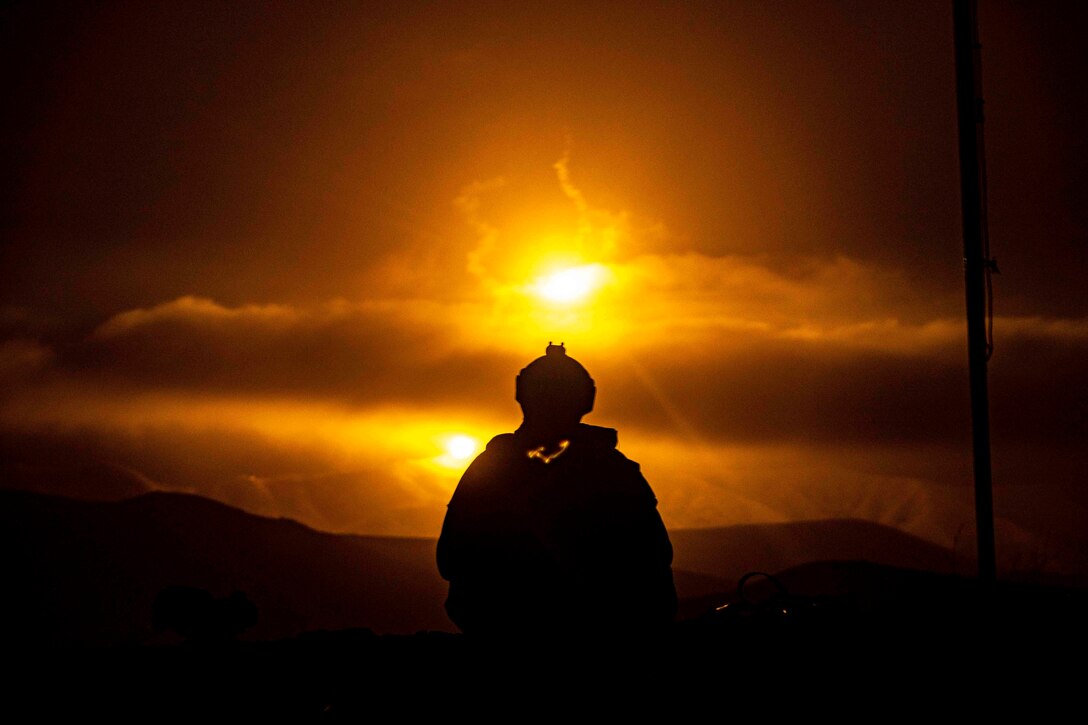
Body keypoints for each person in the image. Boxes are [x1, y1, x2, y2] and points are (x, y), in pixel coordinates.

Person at [436, 343, 677, 640]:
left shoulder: (490, 469)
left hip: (514, 628)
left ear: (521, 395)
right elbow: (655, 560)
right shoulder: (615, 471)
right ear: (586, 399)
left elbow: (450, 558)